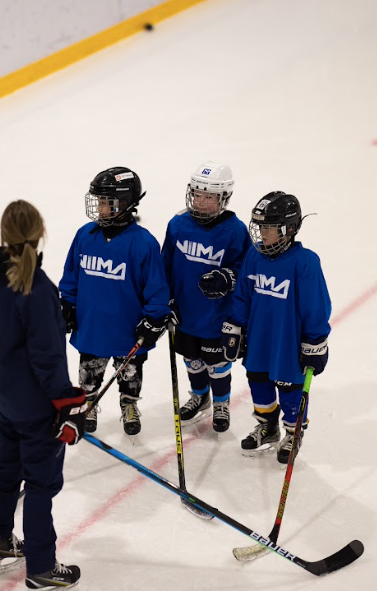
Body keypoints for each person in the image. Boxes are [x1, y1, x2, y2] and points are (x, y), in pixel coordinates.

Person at [0, 200, 85, 590]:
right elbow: (48, 358)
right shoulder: (37, 289)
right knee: (41, 484)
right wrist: (68, 406)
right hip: (38, 406)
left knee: (6, 467)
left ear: (4, 234)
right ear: (41, 234)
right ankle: (41, 566)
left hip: (6, 397)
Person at [59, 167, 172, 436]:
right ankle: (88, 404)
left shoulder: (143, 243)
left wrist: (154, 318)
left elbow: (156, 289)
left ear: (124, 204)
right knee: (89, 372)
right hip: (92, 325)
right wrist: (68, 304)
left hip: (127, 329)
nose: (99, 208)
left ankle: (129, 404)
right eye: (97, 201)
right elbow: (71, 276)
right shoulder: (84, 235)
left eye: (105, 202)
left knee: (131, 373)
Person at [223, 191, 331, 464]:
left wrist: (315, 341)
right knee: (258, 382)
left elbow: (316, 306)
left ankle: (293, 432)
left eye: (269, 229)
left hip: (289, 343)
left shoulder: (305, 262)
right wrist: (235, 325)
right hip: (259, 339)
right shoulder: (254, 256)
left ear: (289, 229)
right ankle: (267, 426)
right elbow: (243, 295)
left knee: (290, 389)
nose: (263, 235)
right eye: (260, 228)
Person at [162, 162, 251, 433]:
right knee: (192, 359)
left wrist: (228, 278)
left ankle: (221, 403)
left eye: (209, 197)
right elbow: (164, 266)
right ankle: (199, 396)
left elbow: (246, 270)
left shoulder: (235, 230)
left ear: (223, 198)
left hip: (217, 315)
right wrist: (165, 300)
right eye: (197, 195)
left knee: (218, 363)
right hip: (186, 312)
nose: (201, 202)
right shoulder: (178, 224)